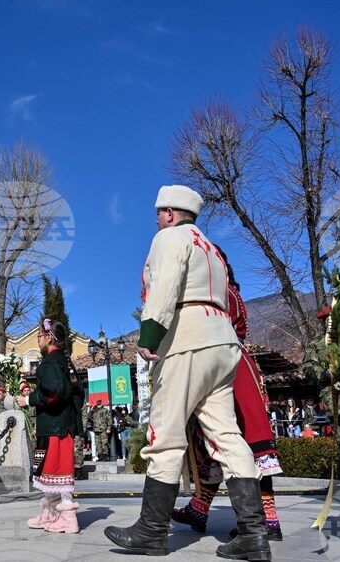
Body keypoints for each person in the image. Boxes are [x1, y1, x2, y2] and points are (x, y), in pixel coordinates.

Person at [104, 185, 271, 560]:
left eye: (158, 211)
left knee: (164, 433)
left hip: (187, 339)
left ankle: (151, 531)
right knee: (227, 435)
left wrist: (150, 334)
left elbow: (164, 286)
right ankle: (254, 534)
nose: (156, 218)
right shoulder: (210, 248)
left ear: (169, 213)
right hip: (222, 339)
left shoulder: (170, 239)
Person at [172, 246, 284, 540]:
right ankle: (199, 507)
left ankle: (267, 518)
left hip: (232, 370)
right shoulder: (224, 291)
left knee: (246, 441)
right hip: (231, 365)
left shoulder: (219, 292)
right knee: (210, 443)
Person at [17, 318, 84, 533]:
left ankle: (68, 517)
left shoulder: (50, 362)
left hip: (56, 427)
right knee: (46, 471)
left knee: (59, 471)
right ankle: (50, 512)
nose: (37, 338)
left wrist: (29, 400)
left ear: (50, 337)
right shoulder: (59, 360)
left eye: (40, 335)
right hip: (52, 426)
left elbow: (55, 392)